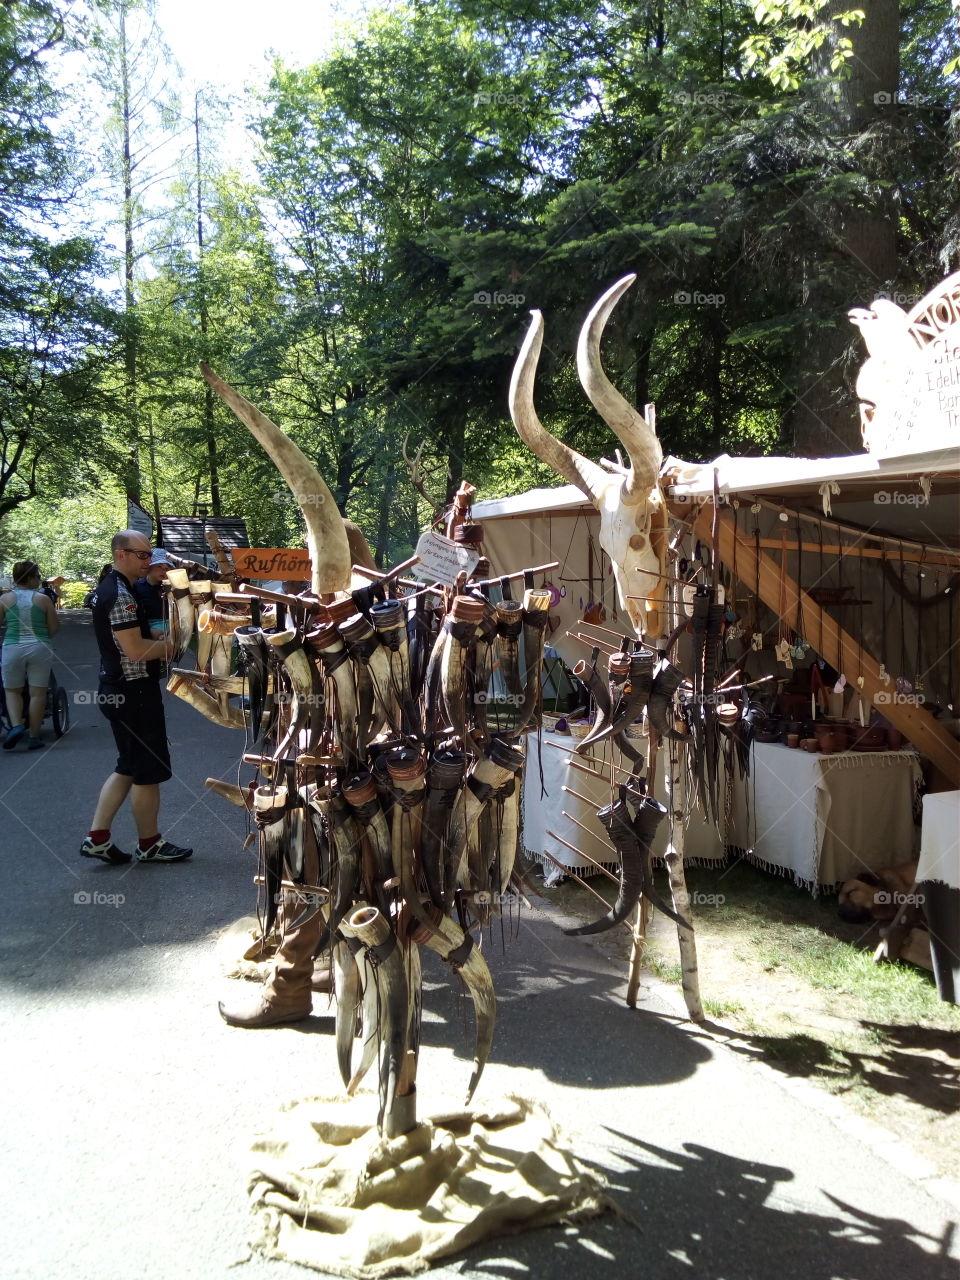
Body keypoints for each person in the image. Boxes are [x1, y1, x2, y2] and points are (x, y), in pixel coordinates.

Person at [80, 530, 192, 867]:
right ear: (120, 555)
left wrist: (155, 633)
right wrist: (175, 646)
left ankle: (97, 838)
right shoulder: (122, 595)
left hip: (119, 690)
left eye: (148, 555)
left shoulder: (114, 589)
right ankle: (150, 844)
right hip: (133, 694)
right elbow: (135, 649)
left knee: (127, 766)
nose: (148, 561)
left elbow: (131, 637)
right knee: (148, 772)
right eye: (141, 555)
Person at [0, 560, 59, 750]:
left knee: (12, 690)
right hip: (39, 646)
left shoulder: (5, 600)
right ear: (32, 577)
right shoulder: (43, 599)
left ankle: (16, 726)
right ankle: (34, 736)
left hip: (12, 647)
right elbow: (54, 628)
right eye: (38, 576)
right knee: (38, 693)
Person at [131, 548, 173, 636]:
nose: (164, 570)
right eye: (159, 566)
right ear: (149, 567)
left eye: (167, 567)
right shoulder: (137, 586)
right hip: (148, 626)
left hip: (171, 625)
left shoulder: (171, 587)